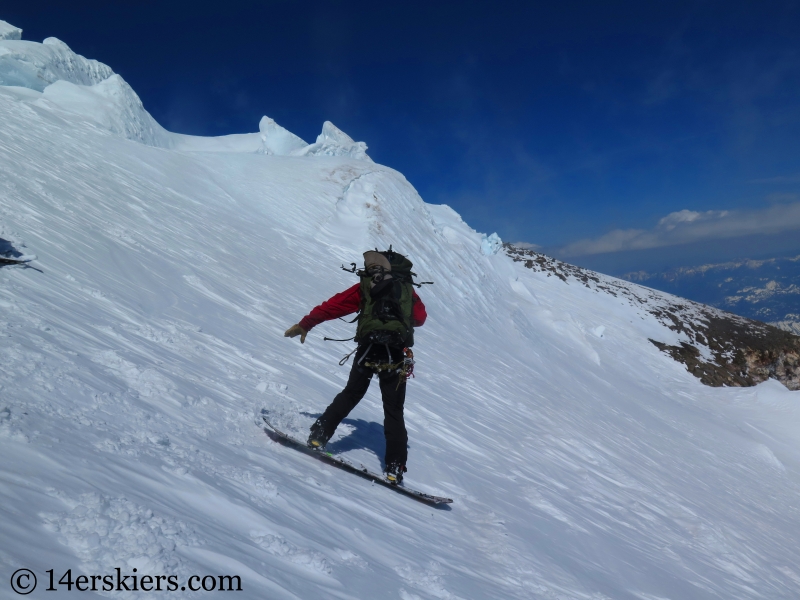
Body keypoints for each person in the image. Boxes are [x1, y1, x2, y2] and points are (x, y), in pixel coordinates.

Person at [284, 249, 427, 483]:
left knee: (351, 393)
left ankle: (319, 435)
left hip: (369, 349)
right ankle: (395, 467)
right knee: (393, 411)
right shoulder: (407, 290)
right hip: (395, 355)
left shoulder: (366, 286)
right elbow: (420, 318)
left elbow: (335, 305)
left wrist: (306, 324)